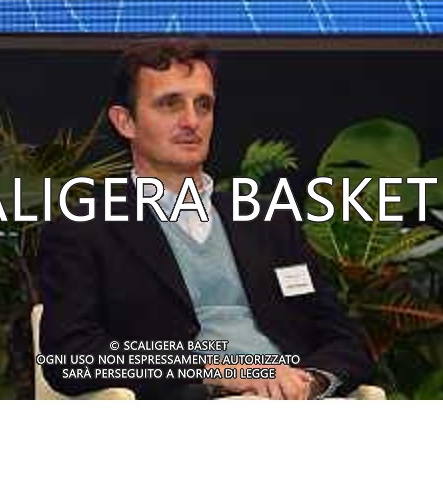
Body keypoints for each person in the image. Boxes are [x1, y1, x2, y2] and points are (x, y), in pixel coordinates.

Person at [38, 38, 374, 400]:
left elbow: (346, 339)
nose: (191, 121)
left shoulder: (269, 221)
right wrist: (221, 371)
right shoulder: (85, 228)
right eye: (170, 104)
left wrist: (312, 381)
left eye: (203, 105)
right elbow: (69, 357)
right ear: (125, 122)